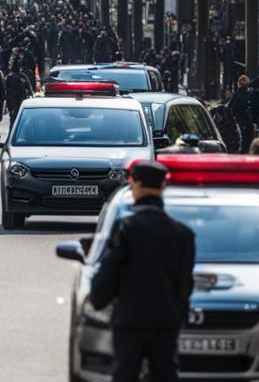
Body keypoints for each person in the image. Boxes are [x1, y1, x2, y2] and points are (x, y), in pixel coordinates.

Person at [88, 160, 196, 382]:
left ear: (135, 184)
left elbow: (110, 270)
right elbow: (185, 284)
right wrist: (179, 314)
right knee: (165, 374)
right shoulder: (182, 234)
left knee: (125, 373)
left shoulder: (126, 228)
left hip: (131, 320)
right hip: (166, 322)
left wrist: (98, 299)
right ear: (162, 188)